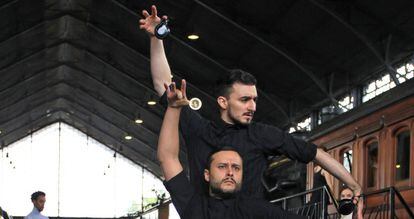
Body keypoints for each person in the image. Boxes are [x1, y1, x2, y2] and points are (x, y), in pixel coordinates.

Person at [139, 5, 362, 203]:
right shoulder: (200, 130)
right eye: (244, 100)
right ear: (223, 102)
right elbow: (163, 84)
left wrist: (353, 184)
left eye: (254, 100)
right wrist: (156, 39)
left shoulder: (263, 135)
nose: (252, 107)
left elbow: (315, 153)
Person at [158, 80, 305, 218]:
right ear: (207, 175)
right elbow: (167, 157)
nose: (230, 172)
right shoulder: (194, 205)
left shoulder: (255, 209)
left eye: (236, 168)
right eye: (222, 166)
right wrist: (173, 108)